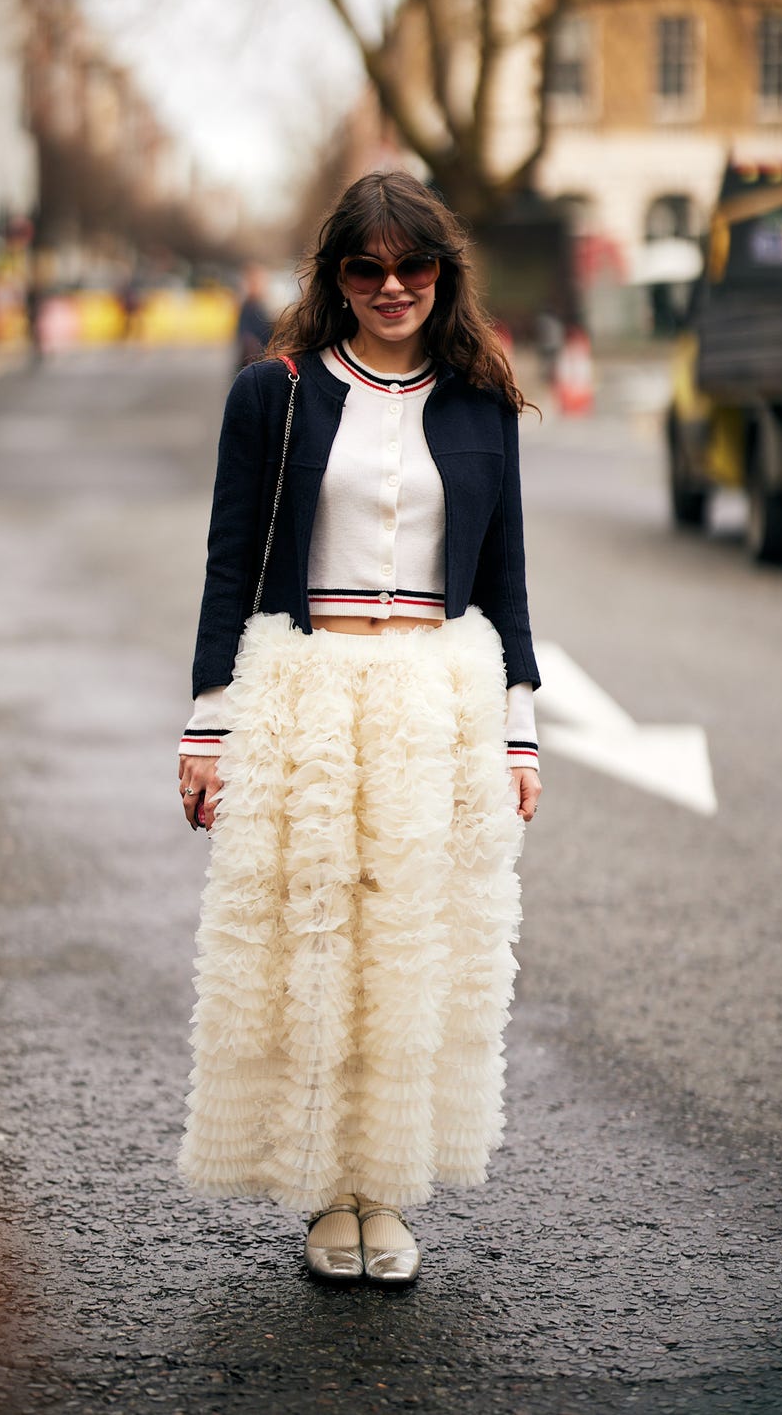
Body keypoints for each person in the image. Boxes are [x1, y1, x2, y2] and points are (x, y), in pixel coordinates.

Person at [177, 170, 542, 1287]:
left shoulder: (482, 396)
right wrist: (206, 724)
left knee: (409, 953)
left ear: (443, 271)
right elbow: (228, 565)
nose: (392, 287)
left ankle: (382, 1189)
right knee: (315, 952)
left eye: (413, 266)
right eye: (365, 268)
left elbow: (504, 570)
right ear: (334, 276)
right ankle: (324, 1190)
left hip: (434, 700)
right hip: (309, 700)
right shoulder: (272, 392)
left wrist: (518, 727)